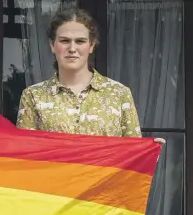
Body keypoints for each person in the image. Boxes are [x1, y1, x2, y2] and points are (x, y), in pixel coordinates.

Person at [16, 8, 141, 138]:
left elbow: (135, 150)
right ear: (52, 45)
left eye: (80, 41)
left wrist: (150, 149)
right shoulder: (33, 96)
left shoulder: (119, 93)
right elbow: (25, 150)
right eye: (64, 41)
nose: (72, 48)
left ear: (91, 45)